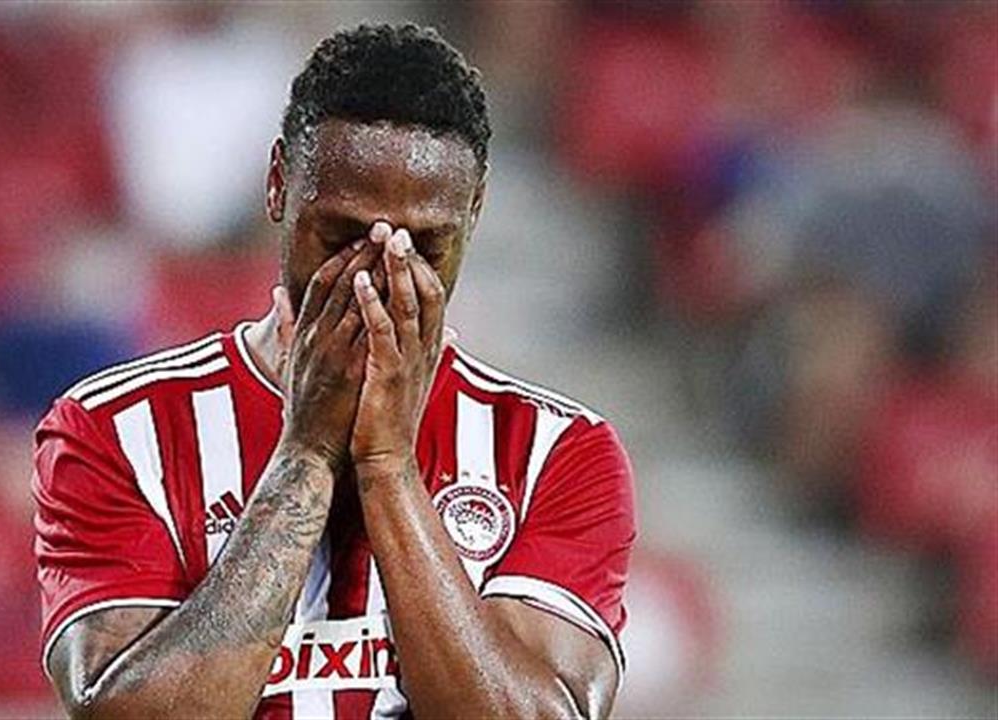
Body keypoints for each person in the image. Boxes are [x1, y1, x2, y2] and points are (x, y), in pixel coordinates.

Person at [33, 23, 635, 720]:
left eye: (424, 246)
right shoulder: (116, 430)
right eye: (343, 237)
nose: (376, 274)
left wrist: (387, 466)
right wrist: (307, 453)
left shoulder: (558, 451)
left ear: (474, 211)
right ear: (278, 186)